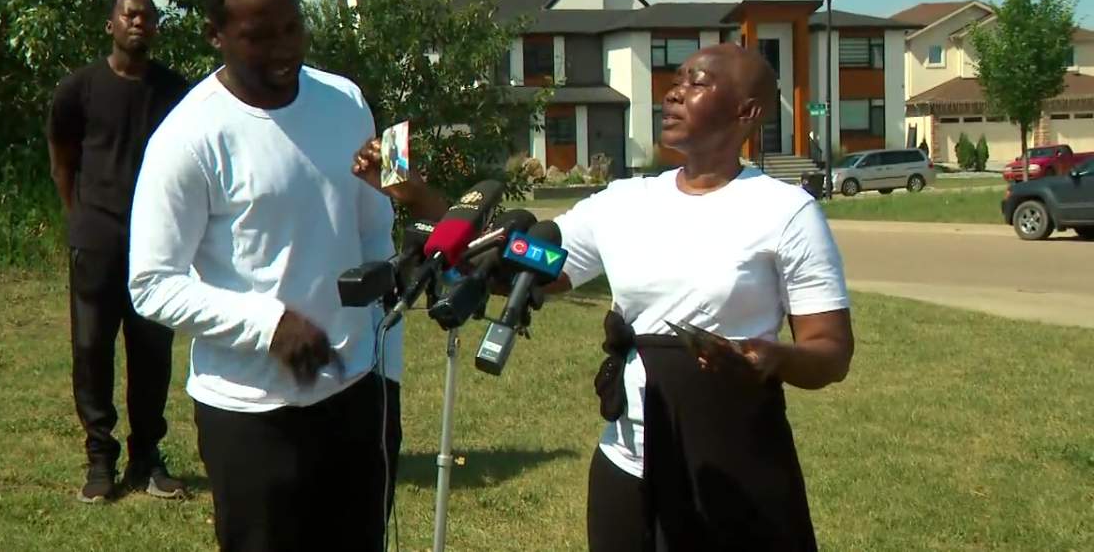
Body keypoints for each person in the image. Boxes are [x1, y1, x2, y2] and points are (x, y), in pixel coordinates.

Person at [363, 43, 854, 551]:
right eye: (677, 79)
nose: (674, 93)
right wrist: (421, 199)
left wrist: (768, 359)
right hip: (628, 460)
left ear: (746, 112)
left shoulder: (785, 212)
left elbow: (830, 352)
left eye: (697, 83)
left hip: (734, 463)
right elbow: (516, 270)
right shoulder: (623, 203)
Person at [127, 0, 440, 551]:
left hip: (357, 395)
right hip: (250, 412)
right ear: (216, 34)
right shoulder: (187, 138)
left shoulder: (345, 101)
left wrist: (386, 367)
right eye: (259, 35)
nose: (284, 50)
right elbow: (152, 283)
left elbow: (372, 229)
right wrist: (267, 323)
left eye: (293, 27)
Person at [46, 0, 190, 503]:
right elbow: (62, 159)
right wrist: (81, 216)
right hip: (97, 240)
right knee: (91, 349)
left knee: (152, 353)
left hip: (158, 245)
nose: (139, 22)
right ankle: (100, 460)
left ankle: (147, 459)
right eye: (129, 14)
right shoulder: (79, 88)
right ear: (111, 25)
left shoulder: (176, 91)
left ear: (155, 28)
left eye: (148, 17)